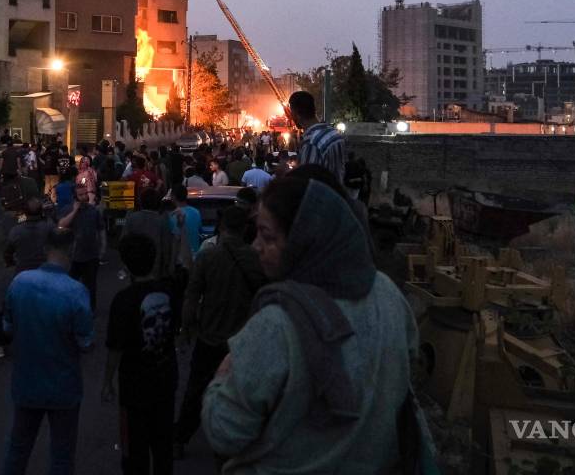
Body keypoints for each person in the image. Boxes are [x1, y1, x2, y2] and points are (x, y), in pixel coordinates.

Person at [200, 177, 424, 472]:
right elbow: (408, 368)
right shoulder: (386, 293)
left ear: (303, 241)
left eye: (268, 237)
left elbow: (225, 432)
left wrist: (222, 376)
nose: (255, 247)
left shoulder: (276, 324)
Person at [175, 202, 266, 457]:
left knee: (195, 391)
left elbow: (192, 297)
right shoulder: (255, 258)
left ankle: (180, 438)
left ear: (222, 226)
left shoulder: (208, 256)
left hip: (210, 336)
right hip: (243, 339)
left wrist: (185, 329)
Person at [1, 227, 94, 475]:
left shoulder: (20, 283)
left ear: (45, 250)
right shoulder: (76, 292)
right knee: (62, 456)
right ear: (71, 250)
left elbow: (7, 328)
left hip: (26, 383)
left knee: (18, 449)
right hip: (63, 387)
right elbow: (85, 343)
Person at [103, 234, 180, 475]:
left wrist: (107, 381)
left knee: (134, 453)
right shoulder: (170, 291)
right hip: (166, 379)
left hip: (134, 387)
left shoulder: (123, 300)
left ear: (125, 264)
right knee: (163, 447)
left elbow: (115, 348)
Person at [0, 197, 55, 358]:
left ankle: (1, 344)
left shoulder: (16, 231)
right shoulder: (47, 226)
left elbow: (7, 252)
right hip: (45, 274)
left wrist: (10, 261)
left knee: (8, 309)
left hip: (22, 275)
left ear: (24, 212)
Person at [56, 181, 105, 310]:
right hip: (73, 256)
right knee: (69, 284)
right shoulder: (67, 210)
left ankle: (90, 309)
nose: (84, 197)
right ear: (75, 197)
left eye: (85, 194)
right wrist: (75, 211)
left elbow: (101, 230)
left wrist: (102, 248)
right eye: (80, 195)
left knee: (90, 286)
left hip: (91, 255)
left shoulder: (93, 211)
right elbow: (61, 225)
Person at [287, 91, 346, 185]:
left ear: (297, 115)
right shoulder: (334, 134)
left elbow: (306, 183)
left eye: (291, 114)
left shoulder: (311, 143)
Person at [123, 189, 176, 280]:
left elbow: (123, 242)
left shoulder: (132, 218)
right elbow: (166, 245)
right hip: (156, 267)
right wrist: (167, 265)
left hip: (135, 265)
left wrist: (126, 264)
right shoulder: (162, 220)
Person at [169, 183, 202, 266]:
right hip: (195, 256)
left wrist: (171, 264)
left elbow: (175, 241)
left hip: (181, 260)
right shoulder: (196, 212)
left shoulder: (173, 216)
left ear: (173, 197)